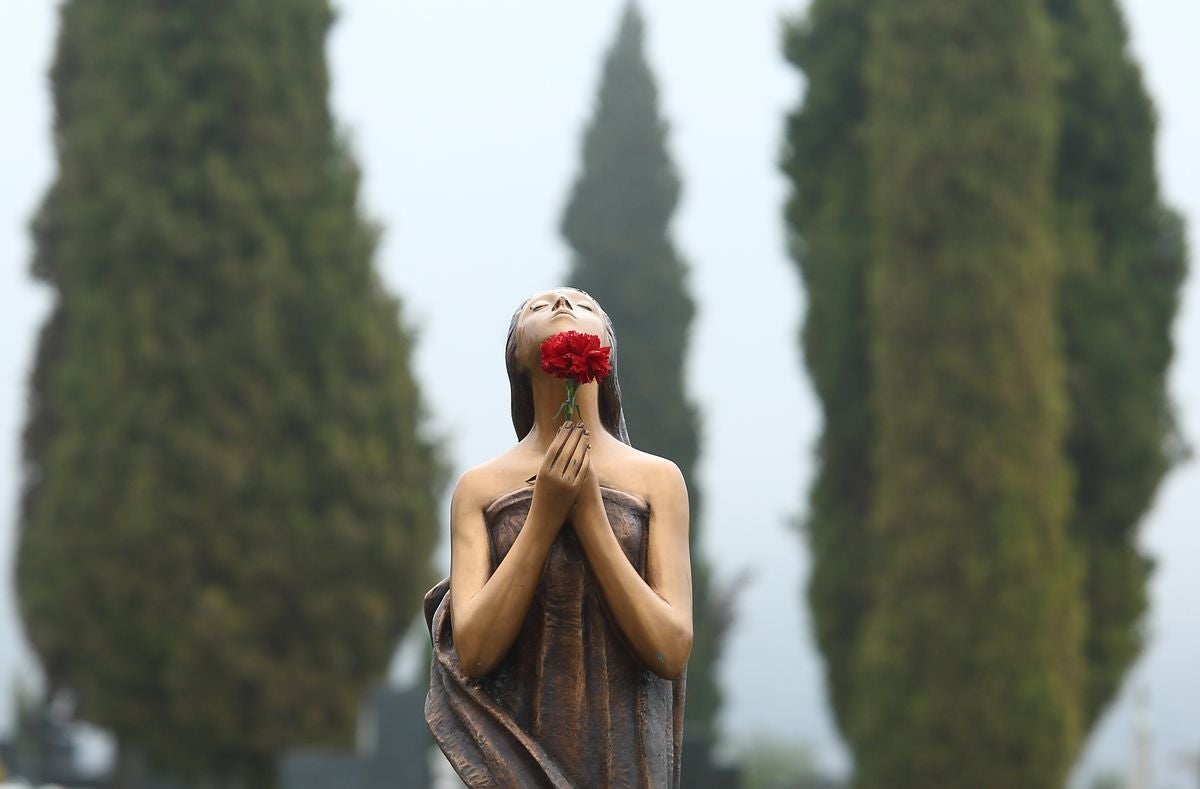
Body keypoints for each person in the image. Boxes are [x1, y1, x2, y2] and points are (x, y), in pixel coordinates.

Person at [424, 287, 693, 788]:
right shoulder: (480, 489)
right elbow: (475, 652)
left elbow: (670, 649)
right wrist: (544, 515)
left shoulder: (658, 480)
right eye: (538, 306)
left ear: (607, 353)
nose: (563, 306)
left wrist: (589, 514)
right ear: (516, 359)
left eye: (585, 305)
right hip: (525, 752)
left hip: (625, 756)